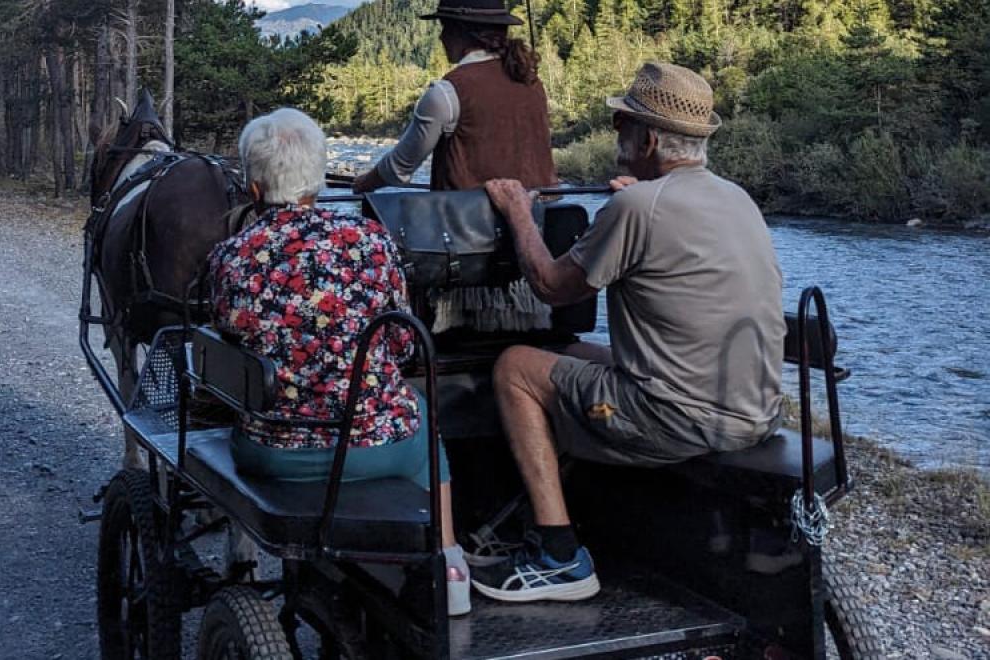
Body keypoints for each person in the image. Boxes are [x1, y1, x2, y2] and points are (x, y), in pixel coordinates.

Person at [470, 63, 787, 603]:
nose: (617, 133)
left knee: (515, 368)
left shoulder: (637, 206)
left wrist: (518, 211)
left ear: (649, 140)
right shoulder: (735, 197)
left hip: (680, 419)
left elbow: (551, 286)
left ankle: (558, 556)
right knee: (570, 351)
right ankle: (576, 500)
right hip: (756, 411)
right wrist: (637, 198)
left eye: (622, 124)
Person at [207, 108, 472, 616]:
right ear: (318, 180)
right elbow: (402, 346)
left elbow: (229, 340)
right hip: (380, 447)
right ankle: (448, 564)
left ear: (254, 189)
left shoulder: (233, 257)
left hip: (274, 452)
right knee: (424, 422)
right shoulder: (372, 242)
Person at [351, 0, 556, 193]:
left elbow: (398, 168)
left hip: (471, 217)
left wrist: (363, 183)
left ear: (460, 31)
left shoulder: (447, 92)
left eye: (444, 28)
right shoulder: (532, 82)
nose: (441, 37)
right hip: (544, 214)